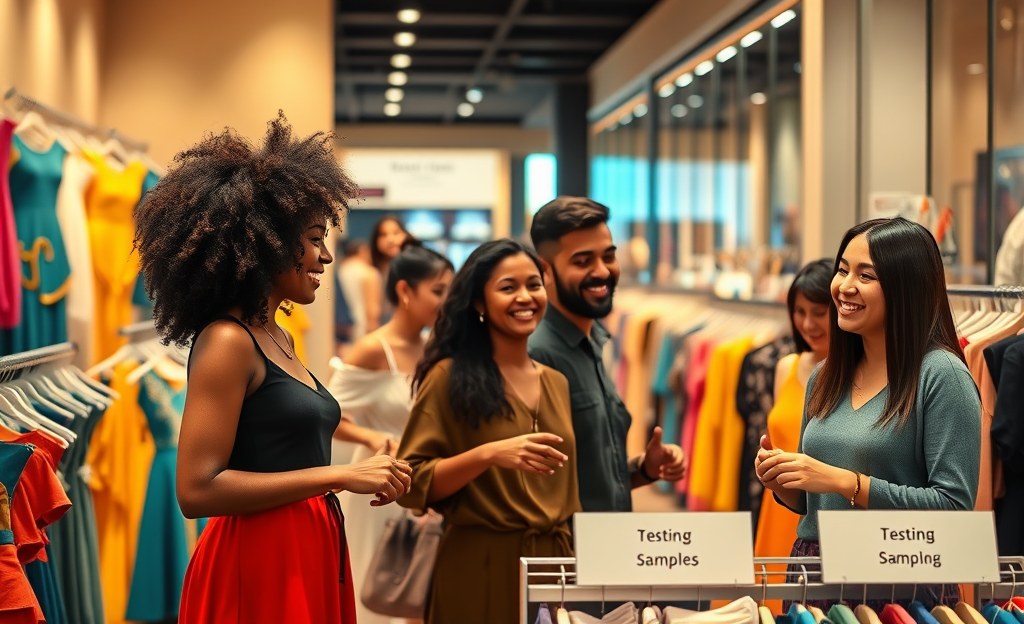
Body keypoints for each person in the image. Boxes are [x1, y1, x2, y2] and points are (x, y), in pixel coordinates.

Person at [134, 114, 413, 624]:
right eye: (313, 238)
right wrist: (343, 475)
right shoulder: (227, 341)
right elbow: (196, 490)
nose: (325, 256)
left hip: (306, 544)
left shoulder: (277, 335)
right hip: (260, 558)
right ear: (266, 243)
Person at [755, 217, 982, 610]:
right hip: (814, 567)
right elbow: (816, 501)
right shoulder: (826, 375)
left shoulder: (942, 376)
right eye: (842, 269)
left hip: (898, 582)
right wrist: (783, 481)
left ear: (905, 288)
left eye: (866, 275)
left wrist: (846, 481)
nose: (844, 286)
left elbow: (953, 509)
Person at [397, 239, 580, 624]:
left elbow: (568, 492)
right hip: (478, 563)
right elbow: (410, 481)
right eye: (507, 287)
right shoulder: (447, 377)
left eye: (534, 284)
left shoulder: (558, 383)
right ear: (479, 303)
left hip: (554, 566)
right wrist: (488, 454)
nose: (525, 297)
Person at [527, 196, 686, 513]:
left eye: (608, 256)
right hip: (569, 555)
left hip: (607, 546)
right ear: (545, 270)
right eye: (583, 261)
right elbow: (535, 486)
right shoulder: (538, 354)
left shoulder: (594, 342)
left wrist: (644, 468)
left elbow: (590, 475)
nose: (602, 272)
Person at [328, 242, 454, 624]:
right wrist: (370, 437)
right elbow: (327, 416)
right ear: (404, 291)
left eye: (451, 290)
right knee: (377, 590)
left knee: (419, 593)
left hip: (425, 484)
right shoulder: (371, 350)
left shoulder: (435, 347)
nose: (446, 301)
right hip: (378, 487)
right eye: (438, 290)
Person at [752, 258, 832, 612]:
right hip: (780, 508)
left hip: (821, 516)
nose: (807, 324)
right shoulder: (786, 365)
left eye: (819, 312)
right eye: (799, 311)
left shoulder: (865, 375)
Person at [336, 239, 381, 354]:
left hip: (341, 331)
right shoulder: (369, 272)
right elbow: (372, 312)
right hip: (362, 330)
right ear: (363, 251)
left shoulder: (340, 270)